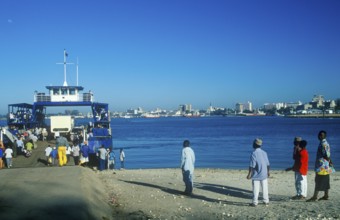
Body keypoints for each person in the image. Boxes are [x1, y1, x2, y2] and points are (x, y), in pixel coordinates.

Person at [307, 130, 335, 202]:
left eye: (321, 135)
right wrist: (330, 162)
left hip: (322, 166)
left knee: (318, 180)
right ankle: (326, 195)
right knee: (325, 180)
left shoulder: (323, 144)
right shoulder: (325, 143)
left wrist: (330, 161)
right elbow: (327, 154)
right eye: (319, 135)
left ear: (324, 136)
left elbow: (325, 155)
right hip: (325, 166)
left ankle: (315, 197)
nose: (319, 136)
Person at [247, 138, 270, 207]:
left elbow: (252, 166)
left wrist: (249, 174)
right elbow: (268, 164)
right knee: (265, 188)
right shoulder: (264, 152)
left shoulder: (254, 153)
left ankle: (255, 202)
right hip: (264, 173)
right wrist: (268, 172)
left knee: (256, 189)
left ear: (255, 144)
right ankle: (266, 201)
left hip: (257, 175)